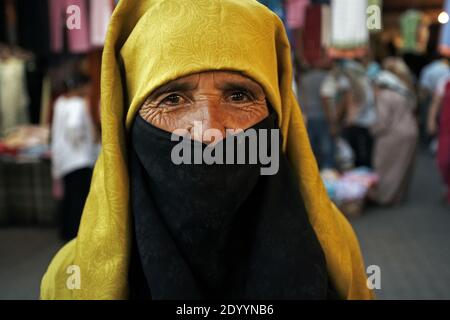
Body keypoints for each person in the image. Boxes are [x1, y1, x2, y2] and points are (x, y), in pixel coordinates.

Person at [41, 0, 373, 300]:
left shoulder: (336, 250)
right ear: (128, 124)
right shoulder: (69, 280)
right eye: (172, 99)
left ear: (278, 115)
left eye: (239, 96)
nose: (211, 132)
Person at [51, 73, 99, 241]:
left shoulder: (60, 103)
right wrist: (84, 139)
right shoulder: (78, 104)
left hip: (64, 159)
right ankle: (77, 233)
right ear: (81, 87)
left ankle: (66, 232)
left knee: (69, 197)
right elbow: (74, 128)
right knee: (79, 200)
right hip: (79, 158)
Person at [369, 58, 418, 206]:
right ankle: (397, 197)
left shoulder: (384, 95)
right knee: (402, 167)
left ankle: (384, 198)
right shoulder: (403, 90)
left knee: (385, 166)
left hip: (393, 134)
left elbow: (383, 121)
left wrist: (372, 130)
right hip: (410, 131)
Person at [335, 60, 377, 168]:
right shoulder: (366, 82)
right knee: (366, 159)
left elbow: (350, 109)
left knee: (354, 160)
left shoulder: (352, 85)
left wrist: (338, 122)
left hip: (355, 126)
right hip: (368, 126)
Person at [299, 61, 336, 169]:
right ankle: (327, 173)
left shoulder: (304, 78)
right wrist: (332, 120)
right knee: (327, 149)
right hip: (323, 116)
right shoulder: (327, 77)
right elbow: (325, 98)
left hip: (310, 116)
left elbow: (302, 100)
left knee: (312, 149)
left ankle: (313, 172)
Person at [428, 67, 450, 206]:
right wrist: (431, 121)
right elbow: (435, 103)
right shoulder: (445, 81)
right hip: (446, 129)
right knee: (444, 162)